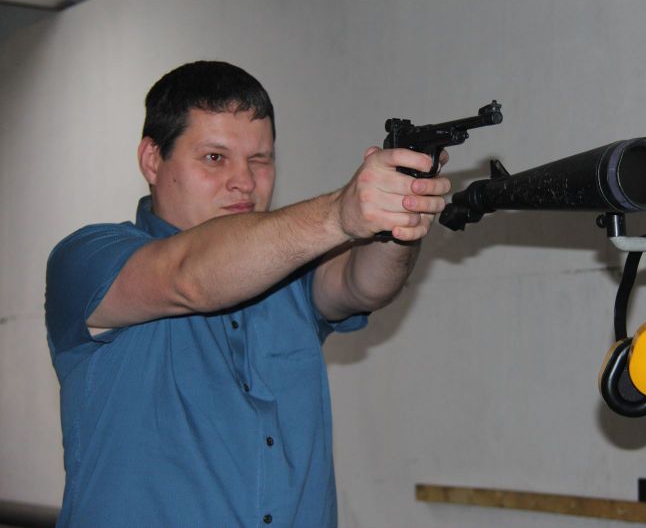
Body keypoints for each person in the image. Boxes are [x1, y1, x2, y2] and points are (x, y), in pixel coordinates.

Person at [45, 60, 450, 527]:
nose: (245, 180)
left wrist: (400, 216)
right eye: (214, 158)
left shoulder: (287, 269)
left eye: (260, 159)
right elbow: (188, 276)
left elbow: (363, 285)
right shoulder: (90, 258)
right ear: (152, 160)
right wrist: (340, 214)